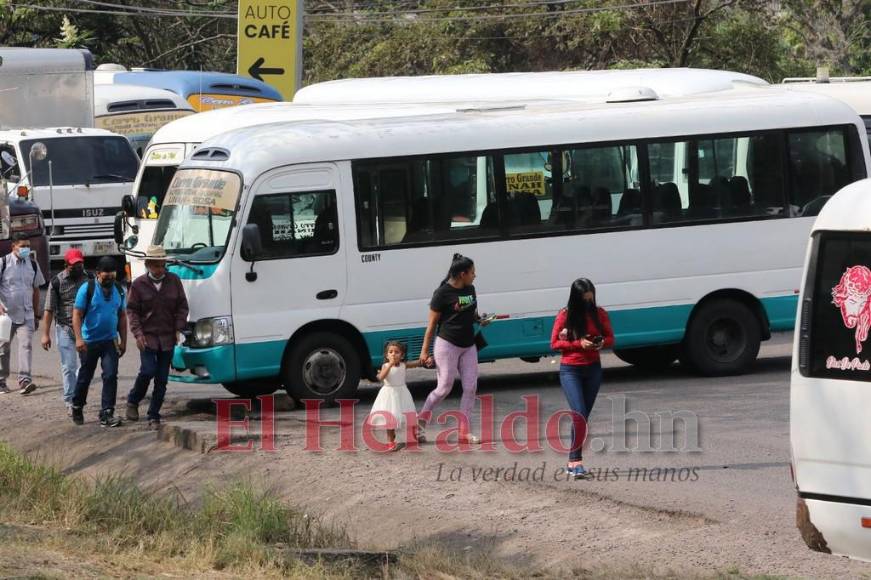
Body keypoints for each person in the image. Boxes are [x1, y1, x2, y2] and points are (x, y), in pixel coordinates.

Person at [417, 253, 491, 444]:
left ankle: (464, 431)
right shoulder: (442, 293)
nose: (475, 275)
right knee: (443, 388)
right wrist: (424, 351)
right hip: (447, 345)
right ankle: (420, 424)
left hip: (468, 345)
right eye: (472, 272)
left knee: (470, 387)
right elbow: (432, 325)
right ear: (462, 274)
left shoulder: (471, 289)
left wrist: (480, 320)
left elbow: (472, 313)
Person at [551, 278, 614, 479]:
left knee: (583, 417)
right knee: (578, 413)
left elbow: (611, 338)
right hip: (571, 370)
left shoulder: (600, 314)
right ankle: (574, 461)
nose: (589, 303)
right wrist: (579, 344)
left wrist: (600, 342)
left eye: (591, 299)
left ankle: (573, 461)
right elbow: (553, 344)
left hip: (593, 369)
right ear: (576, 299)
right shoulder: (565, 315)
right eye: (585, 300)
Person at [125, 245, 189, 429]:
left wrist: (178, 328)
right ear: (148, 265)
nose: (160, 269)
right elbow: (132, 311)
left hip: (168, 338)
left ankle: (154, 414)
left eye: (162, 265)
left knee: (162, 378)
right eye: (156, 265)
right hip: (147, 337)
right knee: (147, 371)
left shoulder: (174, 281)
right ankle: (133, 401)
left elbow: (182, 307)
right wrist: (138, 334)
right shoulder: (138, 285)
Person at [70, 256, 127, 427]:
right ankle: (77, 405)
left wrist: (124, 341)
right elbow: (77, 315)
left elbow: (122, 317)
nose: (109, 278)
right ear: (98, 274)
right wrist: (79, 339)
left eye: (112, 274)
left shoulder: (119, 290)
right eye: (106, 275)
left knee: (110, 375)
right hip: (89, 342)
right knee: (85, 377)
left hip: (110, 341)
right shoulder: (87, 289)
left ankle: (107, 412)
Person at [41, 248, 90, 413]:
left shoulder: (89, 279)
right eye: (73, 265)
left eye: (80, 264)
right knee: (68, 366)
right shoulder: (57, 282)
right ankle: (70, 400)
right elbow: (49, 310)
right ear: (66, 264)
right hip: (65, 328)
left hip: (86, 329)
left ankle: (79, 395)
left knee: (85, 366)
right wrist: (45, 334)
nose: (77, 268)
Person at [0, 233, 45, 395]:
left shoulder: (32, 264)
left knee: (26, 345)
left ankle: (24, 380)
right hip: (6, 315)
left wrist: (37, 313)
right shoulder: (3, 263)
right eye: (22, 246)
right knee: (3, 348)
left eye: (28, 246)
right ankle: (1, 380)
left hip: (27, 313)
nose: (26, 249)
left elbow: (36, 289)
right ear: (13, 247)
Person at [367, 341, 423, 451]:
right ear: (387, 355)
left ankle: (412, 436)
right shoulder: (385, 366)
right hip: (389, 395)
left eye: (396, 352)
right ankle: (390, 440)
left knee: (408, 416)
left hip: (402, 393)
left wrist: (425, 360)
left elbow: (417, 363)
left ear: (402, 356)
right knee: (390, 419)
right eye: (390, 352)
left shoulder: (403, 365)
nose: (393, 354)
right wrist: (390, 365)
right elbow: (381, 377)